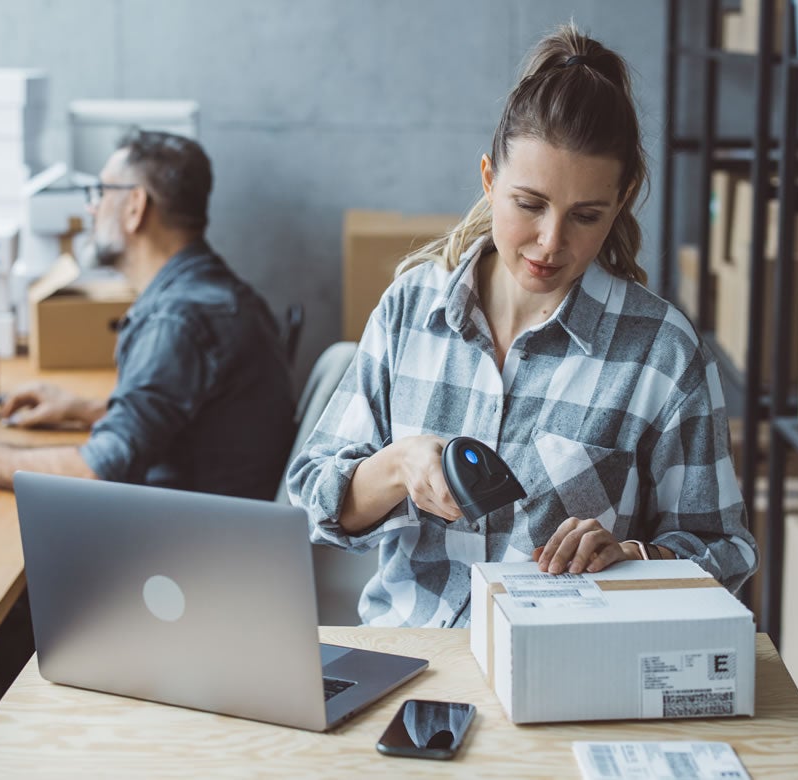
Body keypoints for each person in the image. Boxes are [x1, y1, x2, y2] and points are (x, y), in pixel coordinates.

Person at [288, 25, 757, 629]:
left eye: (585, 216)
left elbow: (724, 552)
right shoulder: (411, 309)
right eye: (529, 204)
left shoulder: (660, 352)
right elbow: (314, 503)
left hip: (561, 676)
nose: (551, 242)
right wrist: (399, 465)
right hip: (411, 663)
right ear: (489, 179)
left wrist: (636, 558)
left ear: (623, 200)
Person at [0, 130, 296, 500]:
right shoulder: (219, 293)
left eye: (101, 192)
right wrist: (82, 409)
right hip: (221, 523)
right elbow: (193, 421)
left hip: (184, 551)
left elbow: (95, 473)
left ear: (135, 206)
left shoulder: (176, 321)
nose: (91, 209)